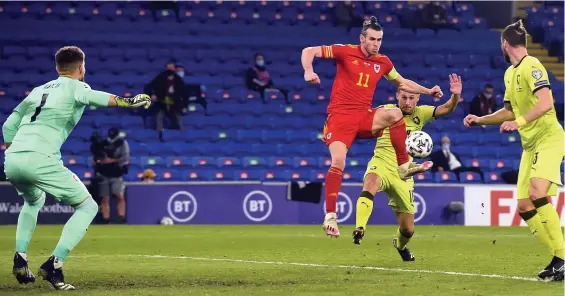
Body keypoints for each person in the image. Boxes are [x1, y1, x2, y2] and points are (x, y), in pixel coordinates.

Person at [3, 46, 151, 290]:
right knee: (88, 206)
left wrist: (15, 153)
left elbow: (8, 125)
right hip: (40, 158)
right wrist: (130, 101)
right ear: (81, 67)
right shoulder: (78, 87)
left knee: (33, 201)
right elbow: (102, 99)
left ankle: (20, 257)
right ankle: (54, 265)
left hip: (13, 158)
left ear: (57, 67)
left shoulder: (37, 91)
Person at [301, 16, 441, 237]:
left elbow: (402, 82)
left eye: (380, 40)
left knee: (395, 113)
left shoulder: (383, 62)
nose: (376, 44)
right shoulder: (345, 51)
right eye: (373, 39)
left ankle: (403, 166)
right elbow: (308, 51)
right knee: (339, 161)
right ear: (362, 38)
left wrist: (427, 91)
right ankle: (330, 217)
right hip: (340, 118)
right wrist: (309, 71)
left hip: (364, 116)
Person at [464, 20, 564, 282]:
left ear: (505, 43)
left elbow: (545, 103)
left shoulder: (533, 65)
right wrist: (481, 119)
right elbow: (508, 110)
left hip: (549, 138)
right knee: (523, 206)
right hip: (530, 145)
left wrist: (518, 122)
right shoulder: (510, 73)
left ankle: (562, 257)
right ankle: (559, 257)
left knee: (536, 193)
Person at [353, 74, 462, 261]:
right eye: (404, 97)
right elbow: (359, 123)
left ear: (418, 98)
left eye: (412, 98)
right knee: (370, 183)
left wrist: (456, 96)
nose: (408, 102)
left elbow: (447, 108)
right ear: (397, 96)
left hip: (404, 172)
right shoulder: (385, 111)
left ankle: (400, 244)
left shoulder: (422, 113)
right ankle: (360, 228)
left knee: (408, 230)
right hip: (381, 162)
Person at [144, 62, 186, 141]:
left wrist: (183, 105)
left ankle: (182, 136)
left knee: (178, 119)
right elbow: (147, 88)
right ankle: (158, 135)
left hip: (174, 104)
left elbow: (183, 93)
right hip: (161, 103)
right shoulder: (160, 78)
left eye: (172, 68)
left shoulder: (178, 80)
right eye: (168, 68)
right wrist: (152, 95)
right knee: (159, 117)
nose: (170, 69)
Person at [96, 127, 130, 224]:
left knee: (119, 196)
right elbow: (97, 156)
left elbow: (125, 158)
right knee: (105, 197)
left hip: (117, 173)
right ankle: (106, 220)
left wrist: (111, 160)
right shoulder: (103, 143)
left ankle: (122, 218)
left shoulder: (122, 144)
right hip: (104, 173)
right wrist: (99, 160)